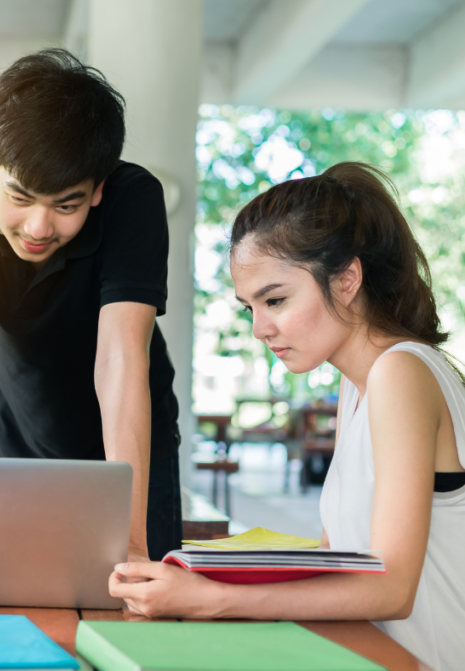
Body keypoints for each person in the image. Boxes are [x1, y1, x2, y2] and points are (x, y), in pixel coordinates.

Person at [109, 163, 465, 670]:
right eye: (249, 307)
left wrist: (212, 600)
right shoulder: (358, 382)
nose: (260, 329)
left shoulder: (400, 373)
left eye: (275, 300)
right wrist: (211, 576)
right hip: (364, 652)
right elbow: (336, 553)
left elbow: (391, 588)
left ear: (346, 280)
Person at [0, 49, 181, 563]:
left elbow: (122, 358)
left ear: (98, 189)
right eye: (20, 197)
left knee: (138, 609)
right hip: (10, 440)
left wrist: (129, 542)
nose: (38, 228)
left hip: (127, 453)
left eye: (66, 205)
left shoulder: (133, 198)